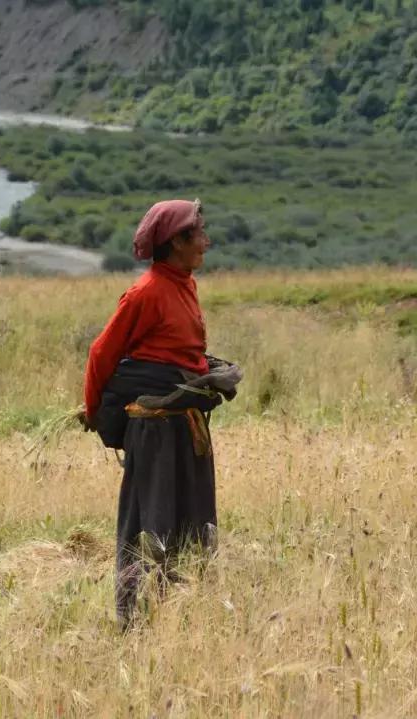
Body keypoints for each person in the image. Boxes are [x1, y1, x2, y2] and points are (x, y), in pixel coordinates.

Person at [81, 199, 241, 628]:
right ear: (176, 242)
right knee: (148, 525)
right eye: (199, 234)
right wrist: (98, 415)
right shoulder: (146, 292)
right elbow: (101, 354)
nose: (206, 242)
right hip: (154, 432)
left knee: (190, 521)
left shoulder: (184, 282)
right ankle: (134, 622)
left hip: (186, 427)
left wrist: (208, 372)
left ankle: (180, 617)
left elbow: (181, 354)